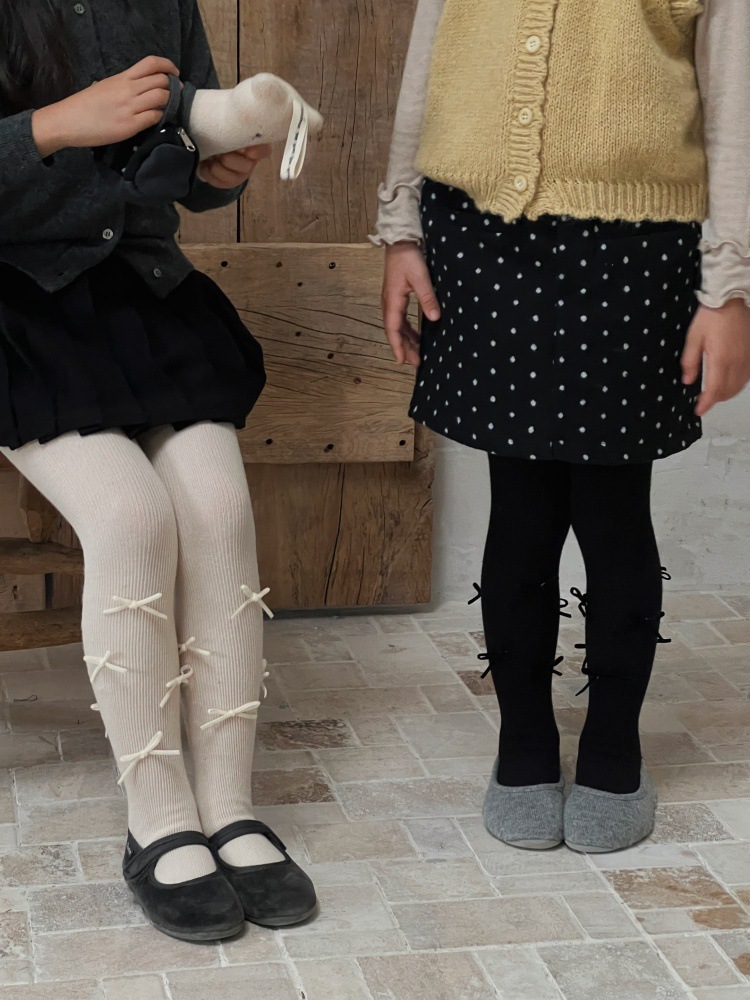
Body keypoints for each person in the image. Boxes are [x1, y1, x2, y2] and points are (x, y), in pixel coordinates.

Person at [376, 0, 750, 854]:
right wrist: (401, 227)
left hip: (632, 245)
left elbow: (735, 105)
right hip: (480, 237)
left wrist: (729, 286)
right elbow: (429, 62)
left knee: (613, 514)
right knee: (520, 508)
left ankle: (615, 746)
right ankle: (524, 743)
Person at [0, 0, 317, 940]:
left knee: (220, 511)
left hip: (141, 292)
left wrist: (217, 171)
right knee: (132, 518)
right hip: (17, 303)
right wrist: (54, 126)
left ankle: (229, 806)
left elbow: (177, 166)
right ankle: (159, 818)